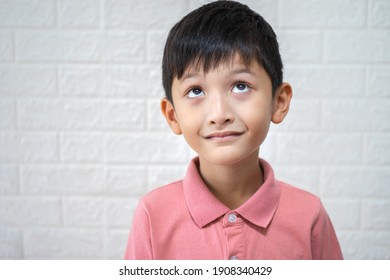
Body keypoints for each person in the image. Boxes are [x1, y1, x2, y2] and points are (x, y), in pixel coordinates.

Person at [124, 0, 343, 260]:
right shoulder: (152, 215)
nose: (219, 115)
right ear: (173, 116)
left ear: (279, 102)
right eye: (196, 91)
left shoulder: (309, 216)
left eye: (240, 86)